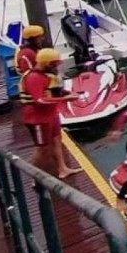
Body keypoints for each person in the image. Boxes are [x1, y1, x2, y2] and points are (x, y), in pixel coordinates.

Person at [19, 48, 82, 179]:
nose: (56, 68)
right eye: (54, 64)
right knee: (42, 148)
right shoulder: (34, 77)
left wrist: (67, 93)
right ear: (47, 63)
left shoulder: (46, 75)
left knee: (57, 140)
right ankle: (35, 176)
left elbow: (53, 90)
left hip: (51, 115)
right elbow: (39, 100)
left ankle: (62, 168)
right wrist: (65, 99)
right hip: (38, 119)